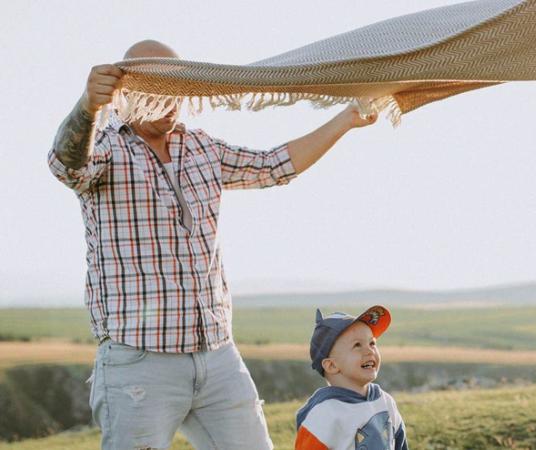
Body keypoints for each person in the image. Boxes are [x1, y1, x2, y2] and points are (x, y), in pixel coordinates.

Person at [47, 40, 377, 450]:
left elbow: (274, 165)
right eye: (155, 92)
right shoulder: (106, 147)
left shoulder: (200, 146)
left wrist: (345, 119)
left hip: (218, 356)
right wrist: (86, 109)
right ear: (126, 93)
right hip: (139, 362)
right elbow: (67, 165)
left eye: (176, 93)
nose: (169, 104)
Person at [295, 305, 408, 450]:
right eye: (357, 345)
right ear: (331, 365)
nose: (369, 350)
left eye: (372, 343)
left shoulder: (385, 402)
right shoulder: (323, 414)